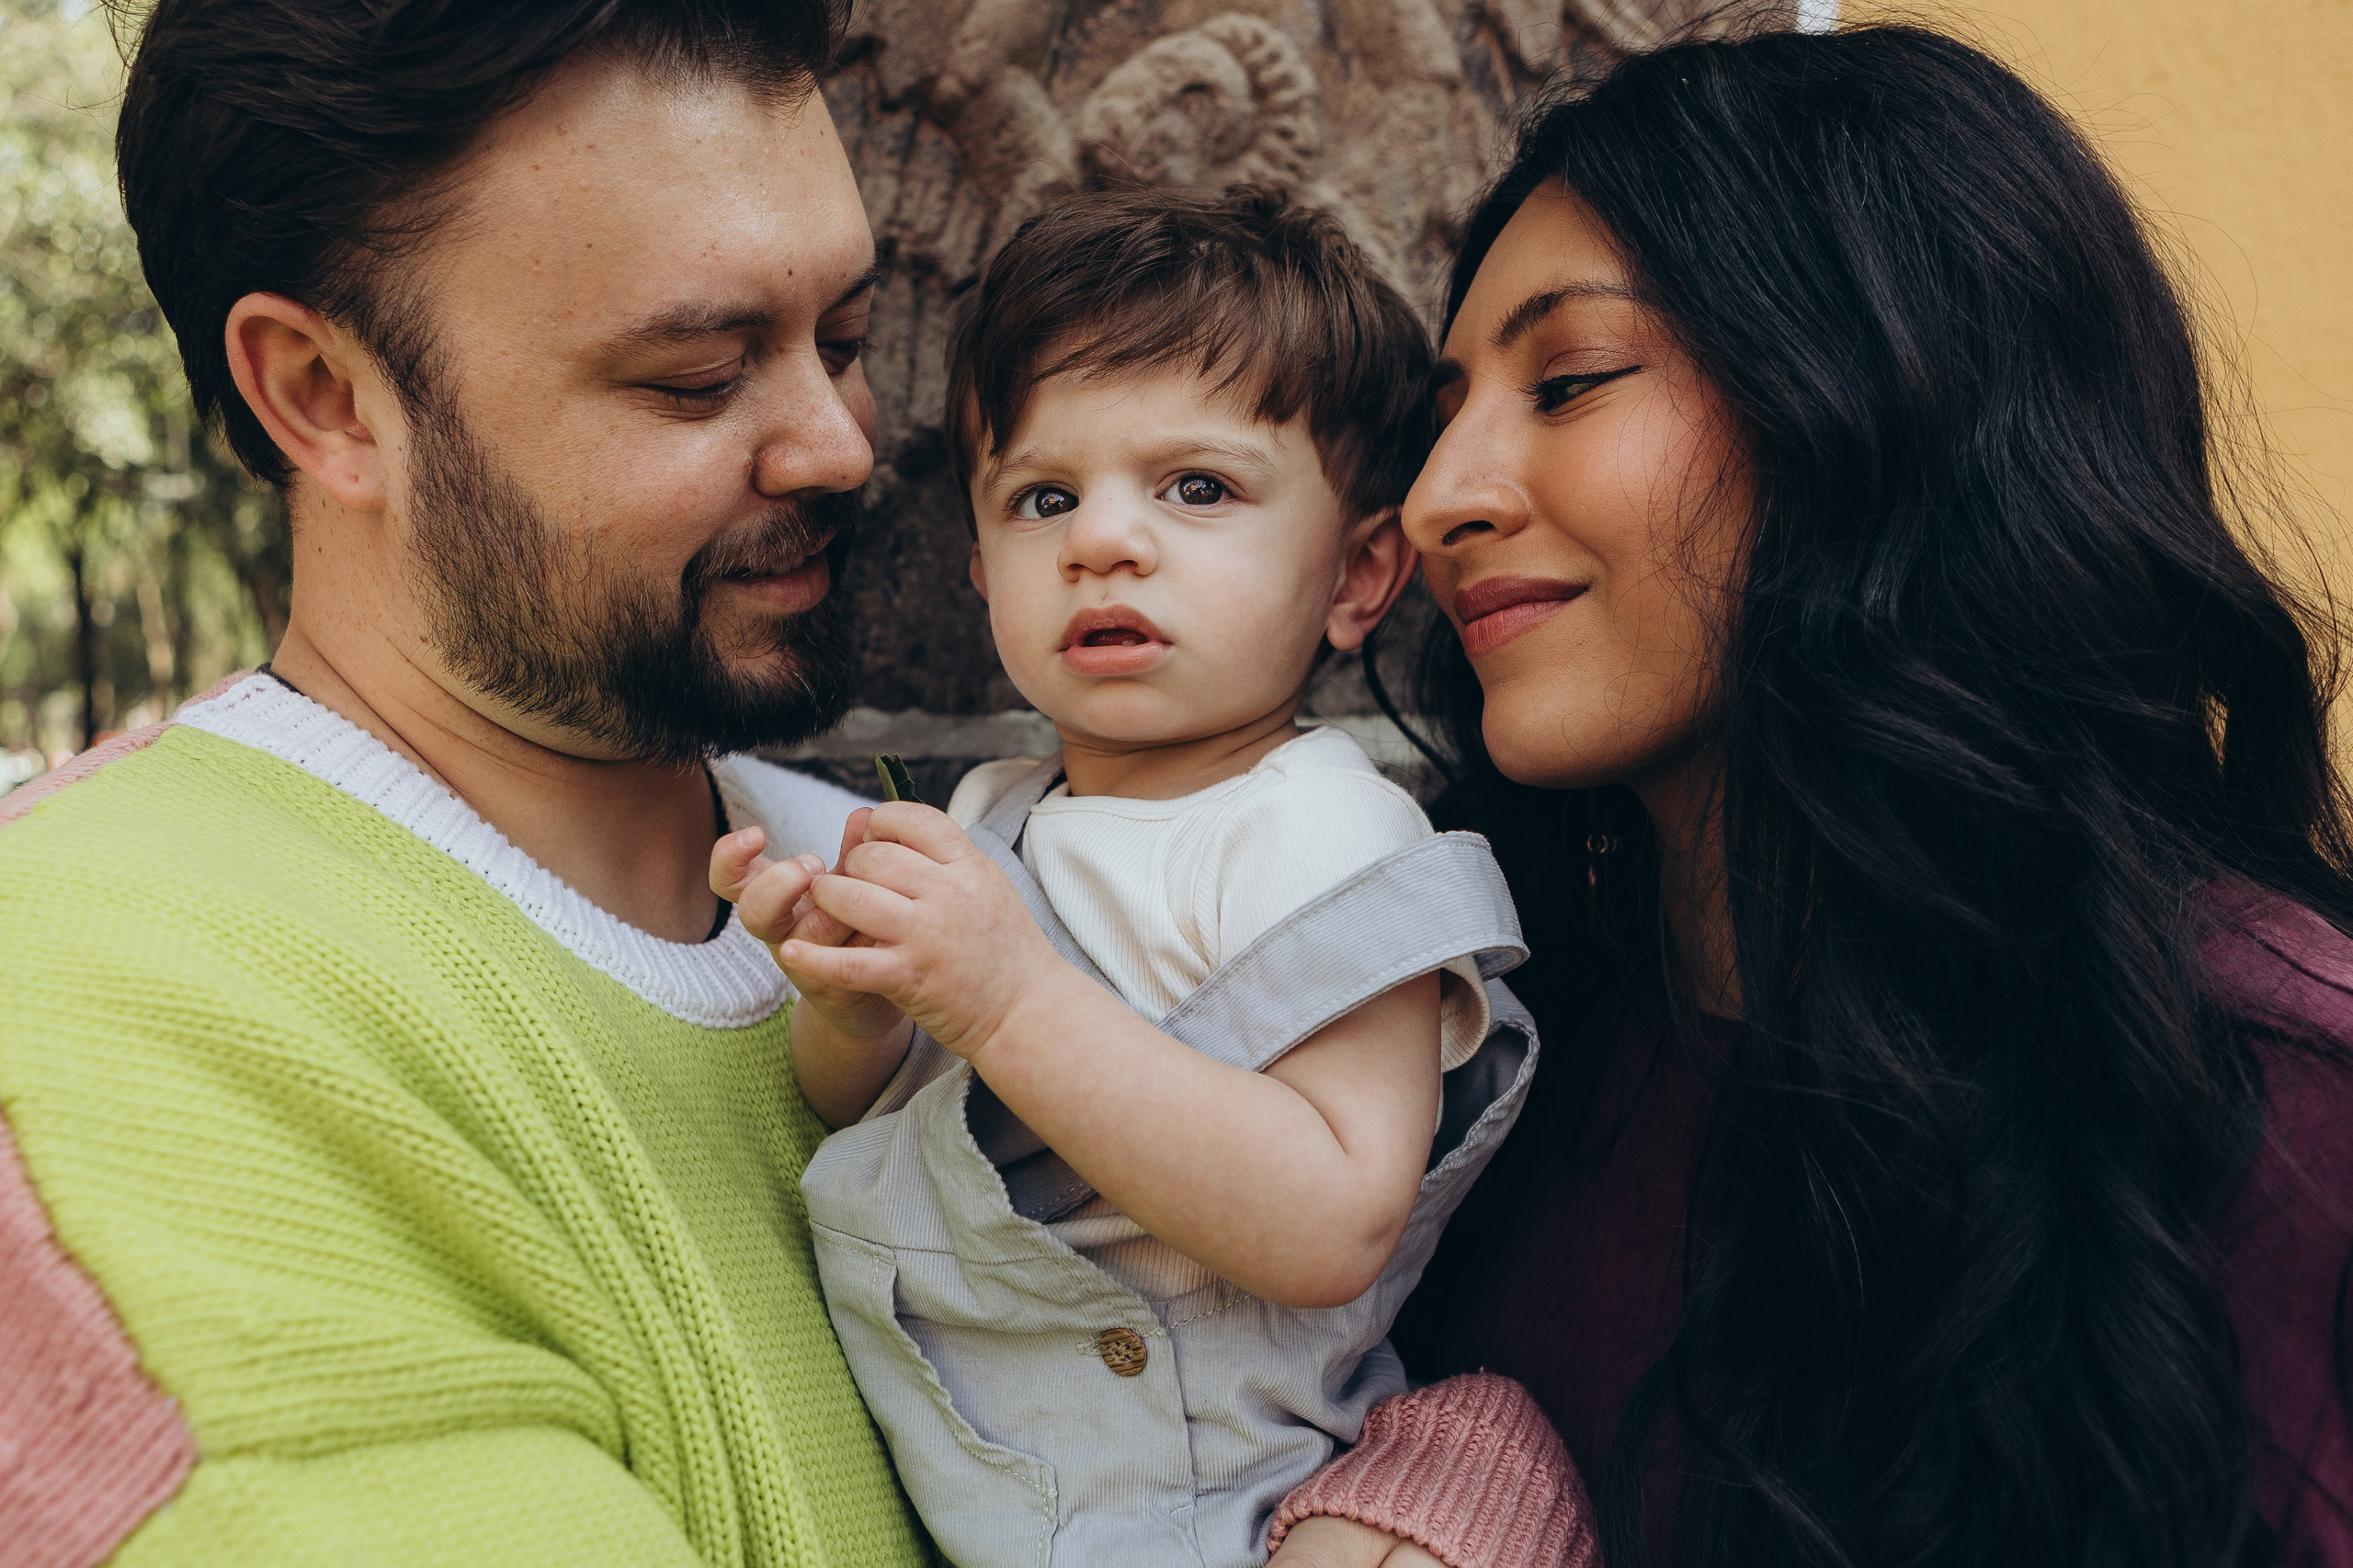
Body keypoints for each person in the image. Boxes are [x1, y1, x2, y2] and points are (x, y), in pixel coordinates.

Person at [1267, 22, 2353, 1568]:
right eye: (1443, 413)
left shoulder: (2275, 1101)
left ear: (1883, 402)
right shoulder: (1502, 1046)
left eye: (1569, 380)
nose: (1442, 497)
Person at [0, 2, 932, 1562]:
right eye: (699, 377)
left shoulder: (915, 870)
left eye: (843, 339)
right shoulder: (97, 1001)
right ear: (322, 395)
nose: (836, 444)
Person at [710, 187, 1563, 1568]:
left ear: (1356, 576)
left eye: (1197, 488)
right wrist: (860, 1010)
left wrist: (1003, 1000)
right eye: (1047, 496)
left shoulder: (1323, 835)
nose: (1104, 539)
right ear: (985, 568)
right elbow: (852, 1112)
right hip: (1001, 1493)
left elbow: (1331, 1217)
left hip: (1201, 1501)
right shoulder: (1001, 808)